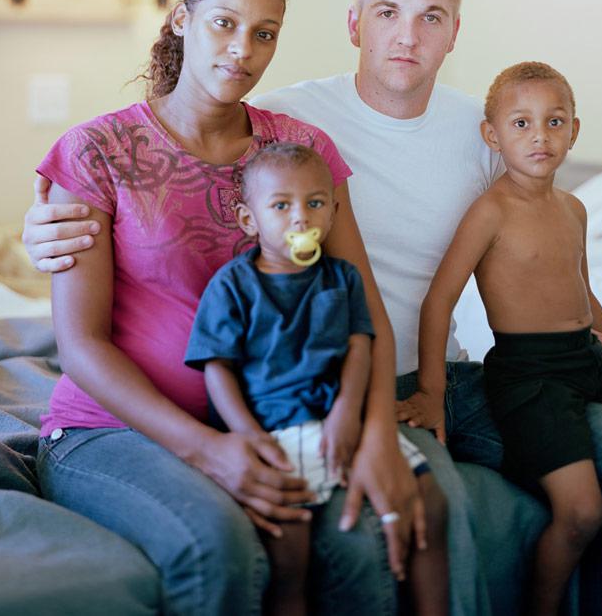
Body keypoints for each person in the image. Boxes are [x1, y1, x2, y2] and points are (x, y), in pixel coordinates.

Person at [24, 0, 602, 615]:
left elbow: (541, 231)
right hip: (258, 399)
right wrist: (37, 227)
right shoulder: (225, 133)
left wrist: (595, 340)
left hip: (405, 385)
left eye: (430, 16)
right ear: (352, 24)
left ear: (454, 32)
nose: (240, 49)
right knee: (417, 507)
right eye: (386, 12)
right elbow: (85, 323)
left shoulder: (453, 134)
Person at [32, 0, 425, 616]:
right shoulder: (95, 151)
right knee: (216, 544)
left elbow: (363, 308)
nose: (243, 50)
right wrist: (209, 451)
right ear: (182, 20)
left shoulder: (301, 152)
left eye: (265, 33)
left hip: (272, 422)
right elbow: (80, 345)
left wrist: (375, 431)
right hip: (111, 430)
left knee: (362, 543)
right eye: (224, 23)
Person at [418, 62, 602, 615]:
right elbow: (438, 301)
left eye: (555, 122)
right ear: (493, 135)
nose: (541, 137)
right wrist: (432, 390)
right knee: (579, 512)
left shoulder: (574, 208)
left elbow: (584, 287)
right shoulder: (490, 212)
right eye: (523, 123)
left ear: (574, 131)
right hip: (528, 372)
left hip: (586, 357)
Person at [185, 142, 448, 616]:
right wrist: (247, 434)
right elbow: (217, 369)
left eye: (315, 203)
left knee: (432, 500)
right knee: (291, 554)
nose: (300, 218)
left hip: (336, 415)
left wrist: (350, 410)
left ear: (333, 211)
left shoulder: (341, 278)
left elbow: (359, 345)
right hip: (277, 428)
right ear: (249, 220)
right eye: (281, 205)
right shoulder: (233, 285)